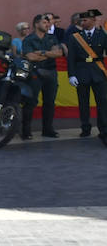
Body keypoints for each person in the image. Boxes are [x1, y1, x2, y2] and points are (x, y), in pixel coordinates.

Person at [66, 8, 107, 144]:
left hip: (98, 73)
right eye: (81, 20)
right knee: (83, 103)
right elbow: (71, 58)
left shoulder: (103, 35)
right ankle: (85, 127)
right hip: (81, 72)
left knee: (103, 102)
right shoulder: (75, 37)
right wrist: (71, 75)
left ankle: (104, 129)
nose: (82, 22)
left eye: (85, 20)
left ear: (93, 20)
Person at [22, 14, 63, 138]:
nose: (48, 25)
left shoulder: (52, 37)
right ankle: (26, 131)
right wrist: (49, 54)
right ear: (36, 24)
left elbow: (59, 53)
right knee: (31, 102)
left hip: (51, 72)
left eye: (48, 23)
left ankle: (47, 129)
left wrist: (43, 53)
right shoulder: (29, 39)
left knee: (49, 102)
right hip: (35, 73)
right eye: (45, 22)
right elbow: (30, 56)